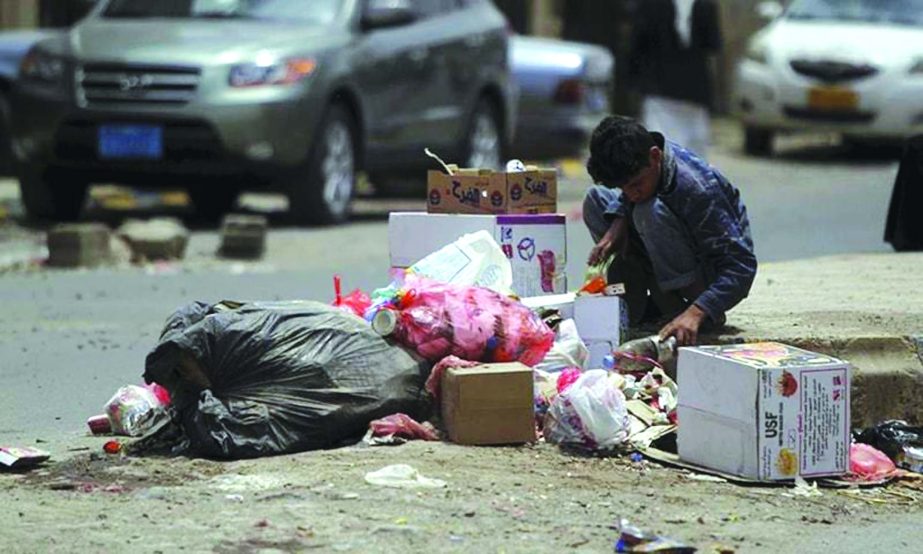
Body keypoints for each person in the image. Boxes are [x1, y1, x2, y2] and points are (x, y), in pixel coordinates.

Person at [583, 115, 756, 346]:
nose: (631, 194)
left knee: (647, 212)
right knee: (595, 200)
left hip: (705, 273)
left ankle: (681, 306)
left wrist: (697, 311)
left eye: (636, 185)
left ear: (655, 156)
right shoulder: (645, 168)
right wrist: (619, 219)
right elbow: (628, 194)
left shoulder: (698, 189)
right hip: (665, 253)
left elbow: (742, 267)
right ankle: (646, 292)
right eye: (623, 188)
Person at [627, 0, 723, 158]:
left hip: (659, 87)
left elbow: (637, 44)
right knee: (693, 152)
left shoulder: (651, 5)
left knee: (662, 148)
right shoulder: (705, 5)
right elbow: (713, 45)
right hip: (695, 89)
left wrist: (634, 81)